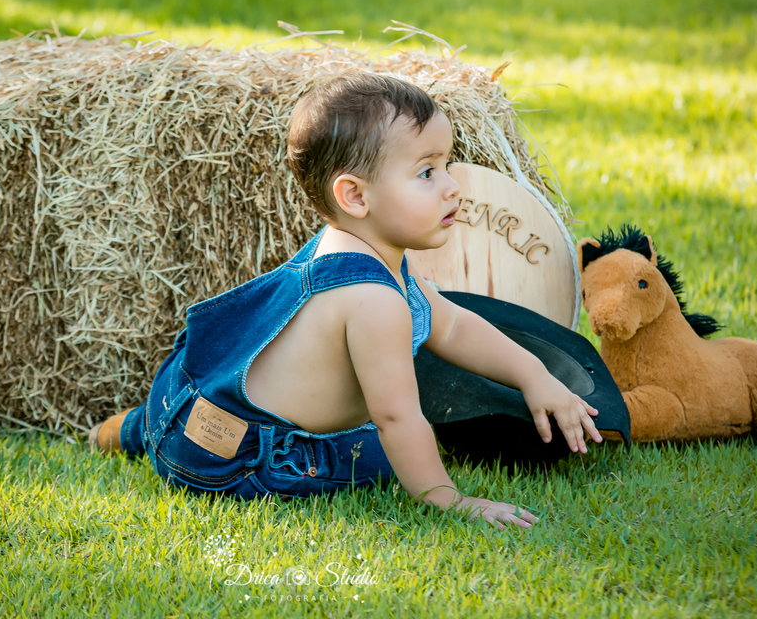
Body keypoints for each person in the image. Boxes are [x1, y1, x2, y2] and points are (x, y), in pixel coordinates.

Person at [90, 72, 601, 528]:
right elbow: (397, 417)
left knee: (189, 420)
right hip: (237, 460)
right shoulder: (371, 299)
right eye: (427, 172)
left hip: (180, 395)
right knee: (380, 454)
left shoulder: (352, 245)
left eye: (447, 165)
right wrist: (449, 499)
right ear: (355, 197)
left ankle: (133, 431)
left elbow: (451, 327)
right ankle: (158, 443)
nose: (451, 187)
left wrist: (536, 377)